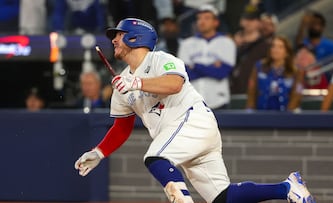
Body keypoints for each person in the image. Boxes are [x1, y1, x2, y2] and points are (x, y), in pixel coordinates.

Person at [74, 17, 316, 203]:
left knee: (156, 158)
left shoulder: (160, 59)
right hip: (184, 137)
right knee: (222, 196)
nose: (114, 40)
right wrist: (99, 152)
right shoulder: (123, 81)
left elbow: (174, 83)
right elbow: (122, 126)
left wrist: (137, 83)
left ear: (135, 37)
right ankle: (287, 188)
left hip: (191, 121)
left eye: (119, 35)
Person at [177, 4, 236, 109]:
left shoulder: (227, 42)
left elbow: (221, 72)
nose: (202, 22)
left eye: (207, 18)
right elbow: (184, 74)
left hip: (219, 101)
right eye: (199, 18)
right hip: (191, 102)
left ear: (216, 22)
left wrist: (195, 66)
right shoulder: (186, 43)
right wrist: (211, 67)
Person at [246, 36, 302, 111]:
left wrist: (289, 114)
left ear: (287, 52)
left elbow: (297, 93)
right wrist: (250, 109)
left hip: (285, 115)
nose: (275, 50)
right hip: (261, 113)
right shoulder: (259, 67)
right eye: (273, 46)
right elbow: (251, 90)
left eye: (280, 47)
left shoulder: (295, 71)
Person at [230, 7, 271, 94]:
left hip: (254, 93)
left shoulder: (265, 46)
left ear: (259, 22)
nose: (248, 22)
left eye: (252, 19)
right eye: (246, 19)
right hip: (232, 90)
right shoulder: (232, 43)